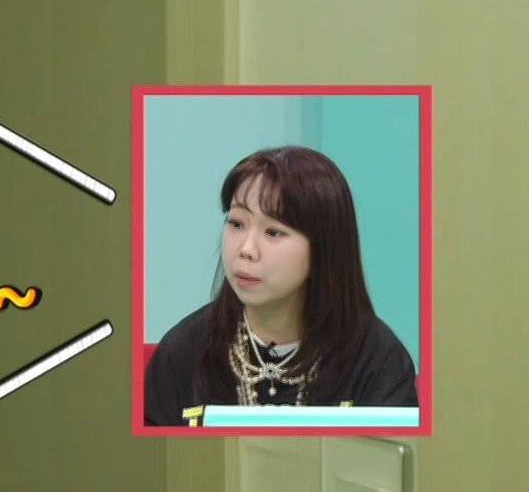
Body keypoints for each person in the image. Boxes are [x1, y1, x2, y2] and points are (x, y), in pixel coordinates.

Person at [143, 146, 418, 427]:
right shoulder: (183, 351)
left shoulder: (378, 361)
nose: (247, 250)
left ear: (324, 247)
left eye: (273, 232)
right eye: (236, 223)